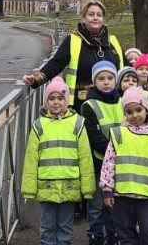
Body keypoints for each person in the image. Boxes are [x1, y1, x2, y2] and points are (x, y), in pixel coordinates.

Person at [22, 76, 96, 245]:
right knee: (47, 226)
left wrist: (88, 187)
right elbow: (31, 158)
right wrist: (29, 188)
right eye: (51, 98)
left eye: (60, 98)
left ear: (67, 100)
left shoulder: (77, 123)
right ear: (46, 102)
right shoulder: (39, 125)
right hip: (46, 186)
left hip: (70, 185)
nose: (56, 102)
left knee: (65, 226)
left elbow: (85, 157)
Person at [101, 87, 148, 245]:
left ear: (146, 109)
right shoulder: (118, 134)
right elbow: (108, 163)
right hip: (122, 195)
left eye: (138, 110)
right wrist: (107, 189)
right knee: (125, 233)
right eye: (129, 111)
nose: (134, 115)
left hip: (147, 196)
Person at [22, 0, 125, 111]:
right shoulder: (73, 40)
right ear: (84, 18)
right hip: (82, 104)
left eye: (99, 15)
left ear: (103, 18)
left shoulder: (113, 41)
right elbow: (56, 63)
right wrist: (36, 79)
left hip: (113, 103)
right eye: (91, 14)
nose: (95, 18)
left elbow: (126, 67)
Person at [81, 61, 124, 245]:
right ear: (94, 82)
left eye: (109, 78)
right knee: (97, 204)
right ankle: (95, 235)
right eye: (101, 79)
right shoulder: (89, 105)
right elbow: (93, 136)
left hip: (121, 162)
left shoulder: (123, 101)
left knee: (114, 202)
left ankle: (113, 234)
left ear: (115, 80)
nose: (106, 82)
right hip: (99, 162)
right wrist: (115, 150)